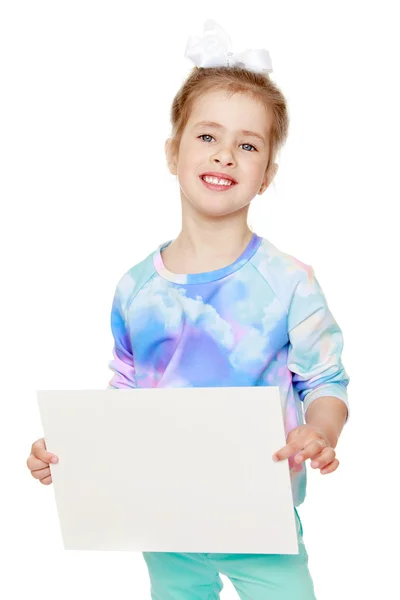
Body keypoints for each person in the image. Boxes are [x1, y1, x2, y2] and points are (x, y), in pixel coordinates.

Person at [27, 20, 350, 600]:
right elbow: (125, 395)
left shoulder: (288, 282)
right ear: (174, 153)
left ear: (266, 175)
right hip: (165, 514)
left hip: (261, 516)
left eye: (248, 145)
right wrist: (71, 452)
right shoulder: (135, 288)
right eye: (207, 136)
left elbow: (326, 379)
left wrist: (319, 430)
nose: (225, 153)